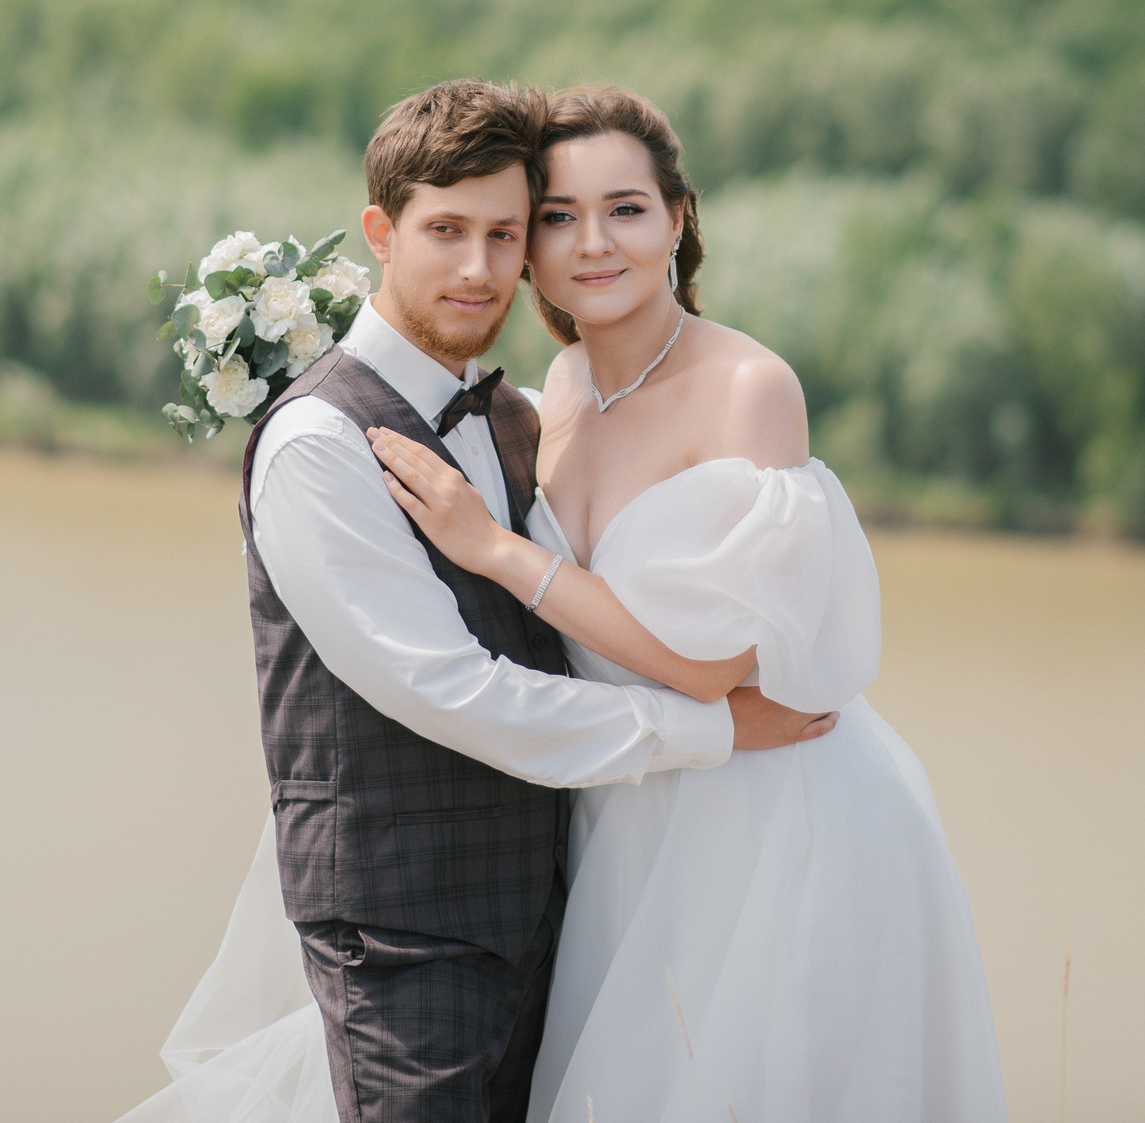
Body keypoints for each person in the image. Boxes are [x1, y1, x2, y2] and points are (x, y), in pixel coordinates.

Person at [117, 79, 834, 1123]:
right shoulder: (318, 444)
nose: (477, 267)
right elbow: (456, 690)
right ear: (378, 231)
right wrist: (710, 726)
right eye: (446, 230)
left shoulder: (512, 413)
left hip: (545, 919)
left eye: (506, 234)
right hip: (402, 939)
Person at [367, 84, 1009, 1121]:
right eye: (558, 217)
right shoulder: (561, 385)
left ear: (677, 218)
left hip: (769, 811)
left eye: (624, 207)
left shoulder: (748, 389)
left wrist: (492, 549)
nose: (591, 243)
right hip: (628, 814)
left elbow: (712, 664)